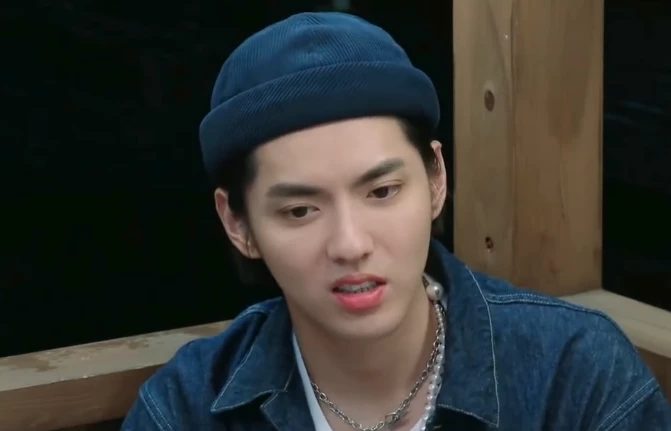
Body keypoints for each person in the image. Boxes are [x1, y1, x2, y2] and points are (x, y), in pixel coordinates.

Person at [121, 11, 671, 431]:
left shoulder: (573, 375)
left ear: (436, 179)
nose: (350, 243)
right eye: (300, 210)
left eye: (382, 192)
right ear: (238, 224)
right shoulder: (186, 409)